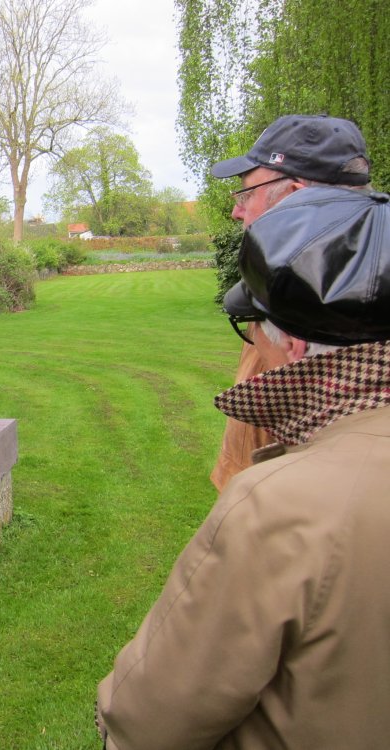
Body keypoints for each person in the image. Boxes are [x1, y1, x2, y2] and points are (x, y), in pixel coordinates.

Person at [96, 186, 390, 749]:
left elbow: (148, 723)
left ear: (294, 344)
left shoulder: (278, 505)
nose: (253, 342)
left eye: (252, 326)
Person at [207, 114, 372, 490]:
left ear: (296, 197)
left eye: (246, 195)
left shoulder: (337, 310)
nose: (237, 211)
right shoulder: (280, 282)